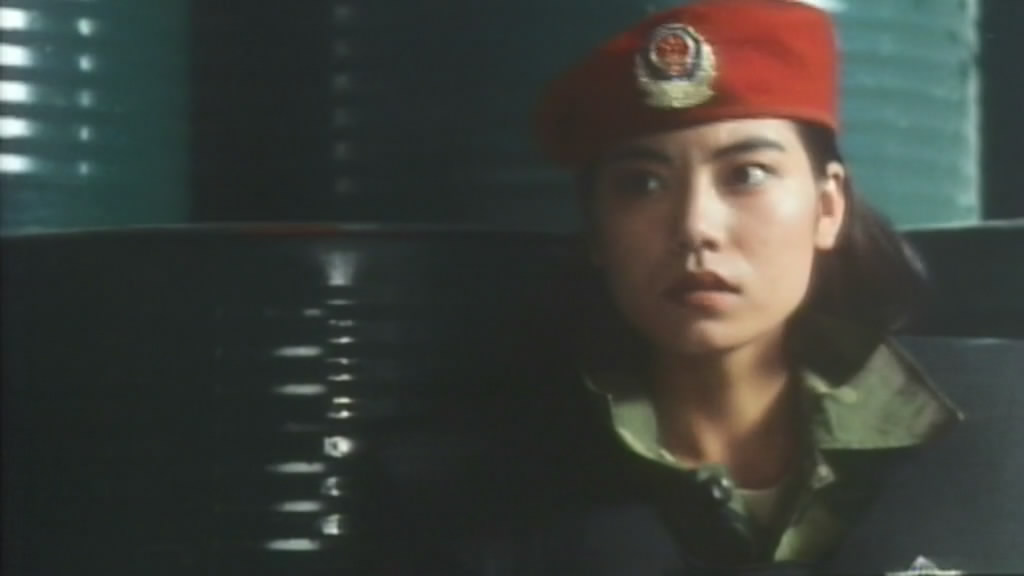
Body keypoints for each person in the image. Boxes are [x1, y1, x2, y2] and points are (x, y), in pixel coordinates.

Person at [452, 0, 1024, 574]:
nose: (695, 226)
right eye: (643, 183)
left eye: (746, 175)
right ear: (598, 230)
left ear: (828, 207)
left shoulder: (1002, 433)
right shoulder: (496, 487)